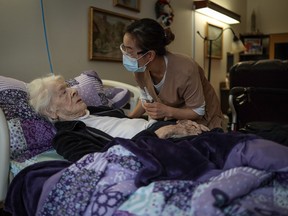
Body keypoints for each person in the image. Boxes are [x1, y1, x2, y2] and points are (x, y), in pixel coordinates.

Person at [27, 74, 210, 161]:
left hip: (162, 133)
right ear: (51, 112)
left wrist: (175, 123)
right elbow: (101, 160)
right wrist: (162, 132)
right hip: (154, 147)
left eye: (69, 87)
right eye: (63, 92)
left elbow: (132, 123)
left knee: (221, 139)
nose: (74, 90)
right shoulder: (66, 137)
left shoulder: (99, 110)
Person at [120, 18, 223, 130]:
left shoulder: (185, 69)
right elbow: (146, 99)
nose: (125, 55)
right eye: (124, 49)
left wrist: (166, 111)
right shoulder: (139, 70)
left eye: (129, 51)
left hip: (204, 120)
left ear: (149, 55)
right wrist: (128, 119)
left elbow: (197, 111)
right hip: (175, 121)